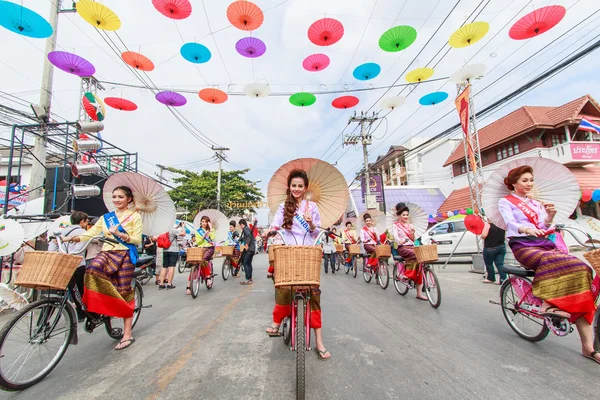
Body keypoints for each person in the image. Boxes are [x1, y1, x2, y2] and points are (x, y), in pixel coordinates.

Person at [499, 165, 599, 364]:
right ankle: (548, 303)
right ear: (514, 183)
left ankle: (588, 347)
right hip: (522, 245)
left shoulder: (535, 203)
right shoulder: (506, 201)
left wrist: (550, 217)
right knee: (550, 259)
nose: (529, 184)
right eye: (524, 180)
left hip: (543, 242)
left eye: (531, 180)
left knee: (581, 267)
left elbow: (543, 226)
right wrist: (526, 229)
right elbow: (510, 223)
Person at [66, 185, 142, 351]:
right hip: (106, 253)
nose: (117, 200)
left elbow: (137, 240)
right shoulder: (106, 217)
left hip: (125, 255)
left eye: (120, 197)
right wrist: (74, 238)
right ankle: (105, 306)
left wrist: (121, 234)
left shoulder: (135, 217)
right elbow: (91, 233)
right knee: (91, 270)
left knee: (124, 291)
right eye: (114, 197)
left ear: (129, 199)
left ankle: (127, 334)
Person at [266, 169, 330, 360]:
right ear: (289, 187)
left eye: (300, 186)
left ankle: (319, 341)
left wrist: (311, 224)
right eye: (293, 185)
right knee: (283, 285)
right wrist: (270, 230)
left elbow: (315, 231)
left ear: (305, 187)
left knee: (314, 293)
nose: (296, 189)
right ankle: (277, 320)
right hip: (287, 247)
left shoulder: (312, 207)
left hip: (307, 250)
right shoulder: (283, 207)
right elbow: (276, 224)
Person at [392, 203, 426, 300]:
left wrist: (412, 233)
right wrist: (400, 241)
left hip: (411, 246)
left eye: (407, 215)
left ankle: (419, 293)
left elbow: (413, 239)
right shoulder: (396, 225)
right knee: (415, 255)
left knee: (421, 262)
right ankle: (407, 274)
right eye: (403, 215)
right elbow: (395, 237)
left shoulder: (410, 225)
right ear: (399, 216)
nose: (406, 216)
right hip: (402, 247)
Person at [186, 216, 215, 295]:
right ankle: (188, 286)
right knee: (194, 264)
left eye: (206, 222)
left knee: (204, 259)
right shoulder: (198, 231)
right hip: (200, 249)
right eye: (202, 221)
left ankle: (208, 277)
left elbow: (212, 238)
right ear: (200, 223)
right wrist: (203, 236)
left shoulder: (211, 230)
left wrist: (211, 229)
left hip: (209, 248)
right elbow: (198, 242)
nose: (204, 223)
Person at [155, 223, 185, 290]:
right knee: (172, 266)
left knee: (164, 267)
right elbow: (183, 234)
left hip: (165, 250)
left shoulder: (162, 230)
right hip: (173, 250)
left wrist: (177, 226)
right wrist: (183, 226)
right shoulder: (172, 230)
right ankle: (169, 284)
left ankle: (161, 284)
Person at [239, 218, 255, 285]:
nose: (240, 227)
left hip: (249, 249)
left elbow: (249, 236)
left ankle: (248, 279)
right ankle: (250, 278)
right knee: (248, 263)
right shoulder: (247, 229)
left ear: (242, 224)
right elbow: (247, 236)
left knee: (245, 262)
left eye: (240, 225)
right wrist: (241, 239)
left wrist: (246, 244)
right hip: (252, 249)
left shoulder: (245, 229)